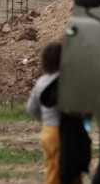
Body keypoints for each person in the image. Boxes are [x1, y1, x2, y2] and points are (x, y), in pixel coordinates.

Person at [26, 42, 77, 184]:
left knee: (52, 168)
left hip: (49, 132)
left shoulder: (41, 82)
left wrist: (46, 121)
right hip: (68, 132)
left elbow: (31, 108)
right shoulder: (69, 81)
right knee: (72, 168)